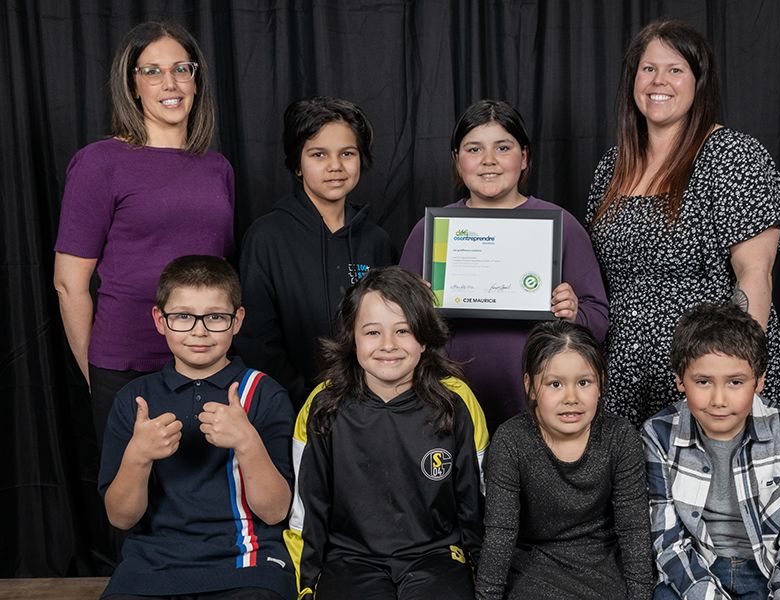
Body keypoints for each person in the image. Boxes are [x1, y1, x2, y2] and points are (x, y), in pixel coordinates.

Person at [585, 20, 780, 429]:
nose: (658, 81)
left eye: (675, 69)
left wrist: (739, 371)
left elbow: (755, 273)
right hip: (625, 376)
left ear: (699, 82)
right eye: (648, 69)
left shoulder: (733, 156)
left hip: (709, 374)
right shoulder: (612, 168)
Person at [53, 21, 234, 442]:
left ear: (196, 79)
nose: (169, 82)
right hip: (126, 364)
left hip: (207, 362)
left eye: (181, 69)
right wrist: (95, 372)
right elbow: (68, 283)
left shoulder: (217, 167)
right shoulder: (100, 163)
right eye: (151, 71)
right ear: (132, 84)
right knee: (132, 501)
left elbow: (217, 269)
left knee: (203, 495)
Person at [400, 99, 609, 432]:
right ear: (457, 160)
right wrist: (415, 307)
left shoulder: (560, 226)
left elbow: (598, 322)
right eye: (473, 149)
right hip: (447, 405)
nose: (488, 161)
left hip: (537, 408)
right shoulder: (431, 232)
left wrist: (573, 312)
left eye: (503, 147)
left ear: (524, 158)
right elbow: (397, 329)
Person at [98, 256, 295, 599]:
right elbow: (120, 518)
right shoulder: (136, 399)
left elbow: (276, 511)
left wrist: (247, 443)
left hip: (246, 564)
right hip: (153, 565)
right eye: (183, 317)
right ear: (160, 320)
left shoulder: (263, 393)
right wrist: (138, 457)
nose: (199, 330)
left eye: (216, 317)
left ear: (237, 321)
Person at [285, 266, 488, 599]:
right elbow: (308, 510)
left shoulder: (456, 401)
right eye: (372, 332)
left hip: (436, 556)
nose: (388, 345)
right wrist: (307, 585)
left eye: (403, 331)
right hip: (350, 559)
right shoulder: (323, 405)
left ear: (424, 338)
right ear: (352, 337)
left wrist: (483, 578)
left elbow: (476, 501)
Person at [643, 302, 780, 599]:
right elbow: (667, 541)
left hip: (767, 568)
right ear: (680, 380)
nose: (718, 399)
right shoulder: (658, 434)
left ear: (759, 381)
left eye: (735, 382)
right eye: (703, 382)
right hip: (694, 569)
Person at [475, 320, 654, 599]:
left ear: (601, 384)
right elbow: (500, 533)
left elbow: (634, 530)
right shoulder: (511, 440)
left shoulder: (620, 438)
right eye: (555, 384)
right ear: (531, 387)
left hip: (602, 565)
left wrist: (641, 596)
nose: (571, 398)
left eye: (584, 382)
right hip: (533, 565)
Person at [238, 97, 393, 410]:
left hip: (369, 409)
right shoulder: (267, 237)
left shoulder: (377, 241)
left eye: (347, 154)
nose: (335, 166)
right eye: (319, 154)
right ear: (298, 164)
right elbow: (256, 341)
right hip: (290, 409)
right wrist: (307, 399)